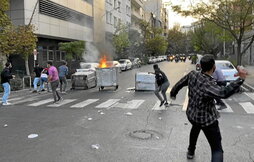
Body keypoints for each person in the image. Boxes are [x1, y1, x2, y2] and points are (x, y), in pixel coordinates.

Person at [170, 54, 247, 161]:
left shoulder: (193, 74)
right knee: (217, 149)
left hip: (192, 115)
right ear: (214, 68)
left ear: (200, 66)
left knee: (195, 129)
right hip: (208, 121)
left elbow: (180, 83)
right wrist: (240, 79)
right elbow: (223, 92)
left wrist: (173, 93)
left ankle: (191, 151)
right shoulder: (208, 84)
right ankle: (191, 151)